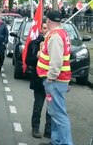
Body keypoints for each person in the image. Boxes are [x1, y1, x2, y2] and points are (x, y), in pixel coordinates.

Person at [38, 11, 73, 145]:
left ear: (48, 21)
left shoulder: (55, 36)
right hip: (59, 80)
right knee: (55, 113)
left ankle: (65, 142)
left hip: (55, 81)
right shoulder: (61, 33)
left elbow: (56, 62)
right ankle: (56, 141)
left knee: (59, 114)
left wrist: (50, 78)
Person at [26, 20, 51, 139]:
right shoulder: (34, 44)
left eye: (47, 28)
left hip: (51, 79)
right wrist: (36, 58)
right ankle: (35, 128)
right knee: (38, 106)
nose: (45, 30)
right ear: (41, 29)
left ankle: (48, 130)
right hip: (39, 80)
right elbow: (27, 61)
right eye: (44, 28)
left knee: (51, 108)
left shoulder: (54, 42)